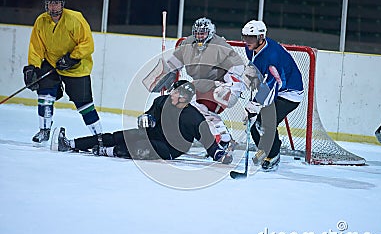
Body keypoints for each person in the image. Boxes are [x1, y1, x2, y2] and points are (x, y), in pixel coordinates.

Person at [54, 80, 232, 164]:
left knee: (139, 146)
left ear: (185, 97)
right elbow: (149, 116)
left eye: (176, 92)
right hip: (153, 133)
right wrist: (146, 119)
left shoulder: (194, 118)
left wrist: (221, 156)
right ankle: (71, 143)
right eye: (172, 91)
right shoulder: (161, 101)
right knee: (117, 136)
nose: (172, 94)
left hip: (171, 149)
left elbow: (210, 143)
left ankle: (107, 152)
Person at [22, 0, 102, 145]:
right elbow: (36, 48)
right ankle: (44, 130)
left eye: (56, 3)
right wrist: (33, 67)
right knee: (44, 94)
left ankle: (99, 136)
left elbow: (88, 44)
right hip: (52, 65)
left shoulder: (75, 19)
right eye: (50, 3)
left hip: (76, 67)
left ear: (62, 4)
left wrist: (72, 57)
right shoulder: (41, 21)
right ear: (46, 5)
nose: (53, 7)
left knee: (84, 103)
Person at [165, 17, 247, 149]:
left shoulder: (220, 45)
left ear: (210, 33)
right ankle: (225, 138)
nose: (199, 36)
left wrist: (229, 85)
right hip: (200, 86)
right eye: (197, 33)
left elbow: (238, 66)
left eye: (202, 33)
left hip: (218, 86)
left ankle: (223, 138)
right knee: (189, 106)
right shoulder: (187, 44)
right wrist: (167, 73)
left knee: (200, 109)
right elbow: (174, 62)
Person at [241, 20, 304, 171]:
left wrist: (255, 104)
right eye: (245, 37)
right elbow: (257, 66)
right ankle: (264, 150)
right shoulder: (251, 48)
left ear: (261, 37)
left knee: (264, 121)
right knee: (254, 125)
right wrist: (253, 74)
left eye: (251, 37)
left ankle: (273, 154)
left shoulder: (273, 57)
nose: (247, 41)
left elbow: (273, 87)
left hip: (290, 93)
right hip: (274, 86)